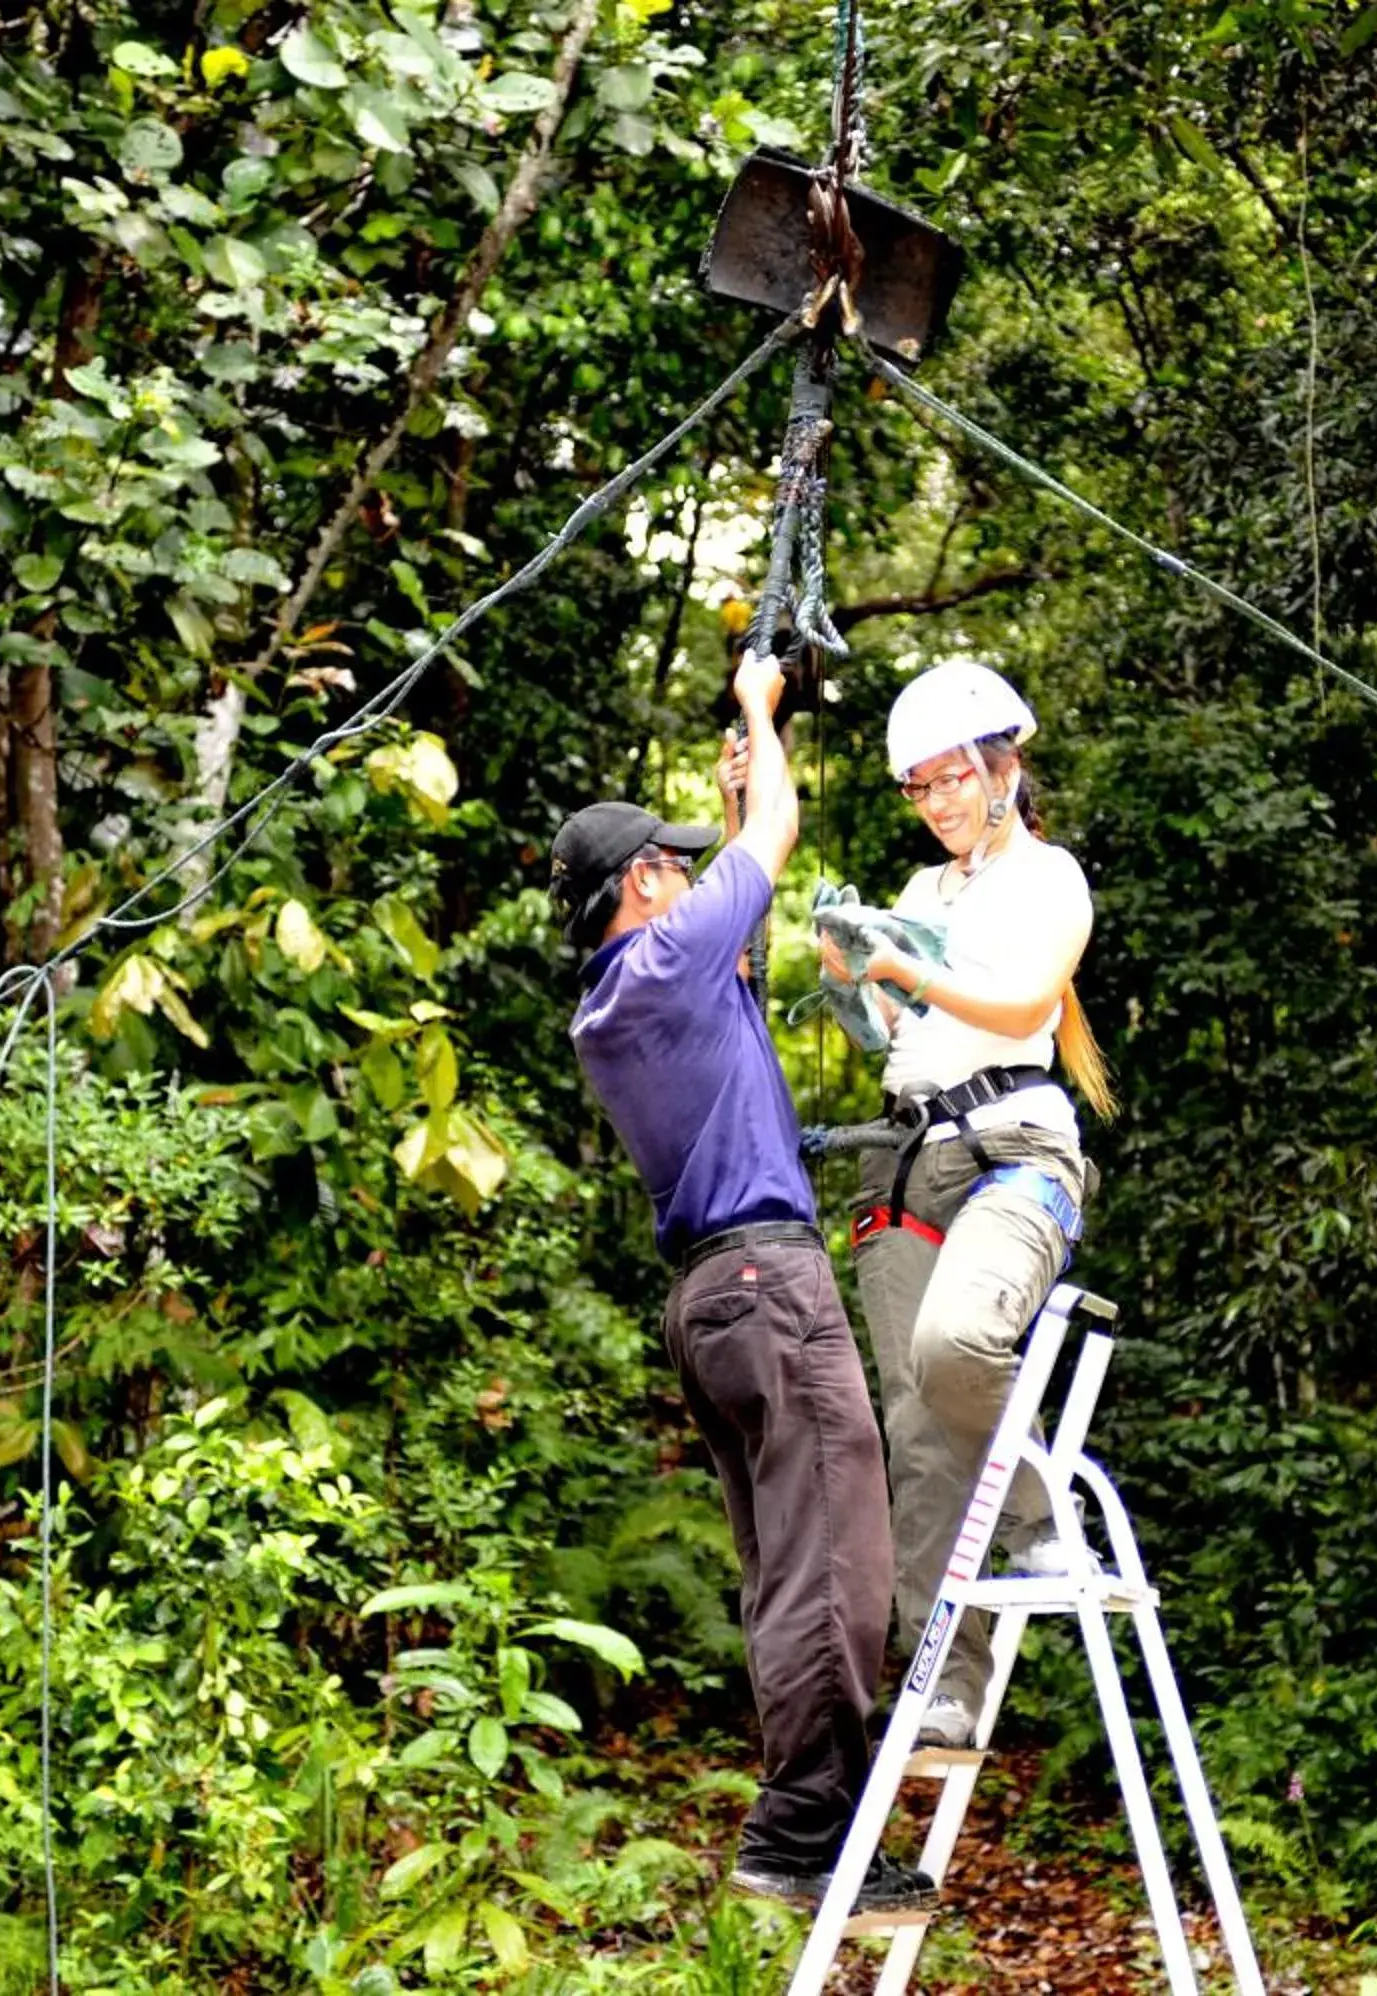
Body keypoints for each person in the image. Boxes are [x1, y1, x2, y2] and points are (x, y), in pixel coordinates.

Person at [549, 648, 931, 1914]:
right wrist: (761, 717)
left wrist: (729, 809)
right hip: (769, 1284)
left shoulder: (622, 1000)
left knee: (790, 1566)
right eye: (673, 862)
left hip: (712, 1300)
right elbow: (776, 830)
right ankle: (802, 1823)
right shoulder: (660, 965)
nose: (688, 873)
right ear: (641, 884)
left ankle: (810, 1822)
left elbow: (742, 925)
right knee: (842, 1561)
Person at [825, 659, 1116, 1749]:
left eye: (954, 778)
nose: (940, 801)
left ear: (1006, 768)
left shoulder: (1049, 878)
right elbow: (899, 1043)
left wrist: (908, 968)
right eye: (921, 787)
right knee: (914, 1420)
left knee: (957, 1347)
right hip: (907, 1155)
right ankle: (946, 1674)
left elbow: (1026, 1000)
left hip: (1015, 1150)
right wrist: (856, 979)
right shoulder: (920, 892)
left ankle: (1045, 1520)